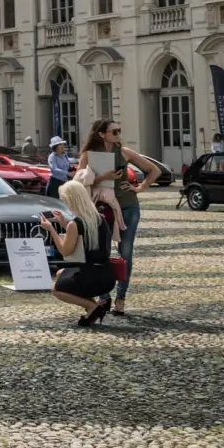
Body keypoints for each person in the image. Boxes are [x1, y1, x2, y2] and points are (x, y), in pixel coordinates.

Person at [102, 121, 166, 317]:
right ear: (102, 134)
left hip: (128, 206)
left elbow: (155, 170)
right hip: (102, 207)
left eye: (119, 131)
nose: (118, 134)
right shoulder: (92, 154)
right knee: (101, 253)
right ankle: (103, 297)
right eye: (114, 131)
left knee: (126, 252)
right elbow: (80, 178)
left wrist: (139, 188)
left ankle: (120, 298)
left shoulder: (125, 152)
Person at [40, 177, 116, 326]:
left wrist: (51, 229)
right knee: (60, 273)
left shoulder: (75, 224)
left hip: (90, 276)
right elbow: (83, 235)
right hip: (107, 274)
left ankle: (91, 306)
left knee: (56, 289)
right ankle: (93, 309)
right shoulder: (99, 218)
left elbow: (65, 251)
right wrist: (64, 223)